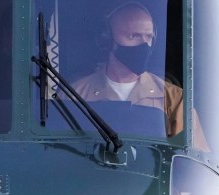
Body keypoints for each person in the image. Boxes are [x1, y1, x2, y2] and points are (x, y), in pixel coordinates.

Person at [72, 1, 205, 148]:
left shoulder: (174, 101)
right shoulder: (75, 95)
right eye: (134, 36)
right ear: (107, 39)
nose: (145, 45)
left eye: (148, 37)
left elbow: (189, 161)